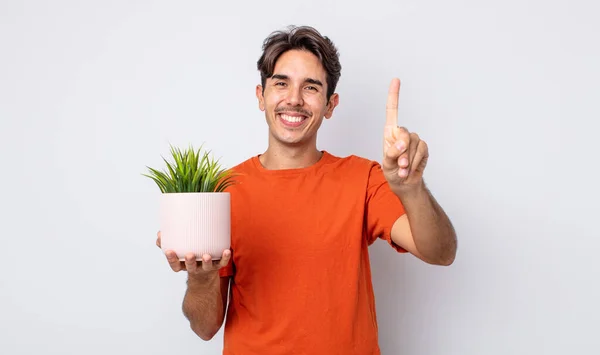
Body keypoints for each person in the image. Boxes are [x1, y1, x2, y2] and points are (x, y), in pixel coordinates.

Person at [156, 25, 457, 354]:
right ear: (261, 96)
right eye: (281, 83)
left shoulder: (363, 178)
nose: (294, 99)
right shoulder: (222, 191)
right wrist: (201, 278)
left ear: (330, 105)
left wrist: (412, 188)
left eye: (311, 87)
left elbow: (441, 252)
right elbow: (205, 327)